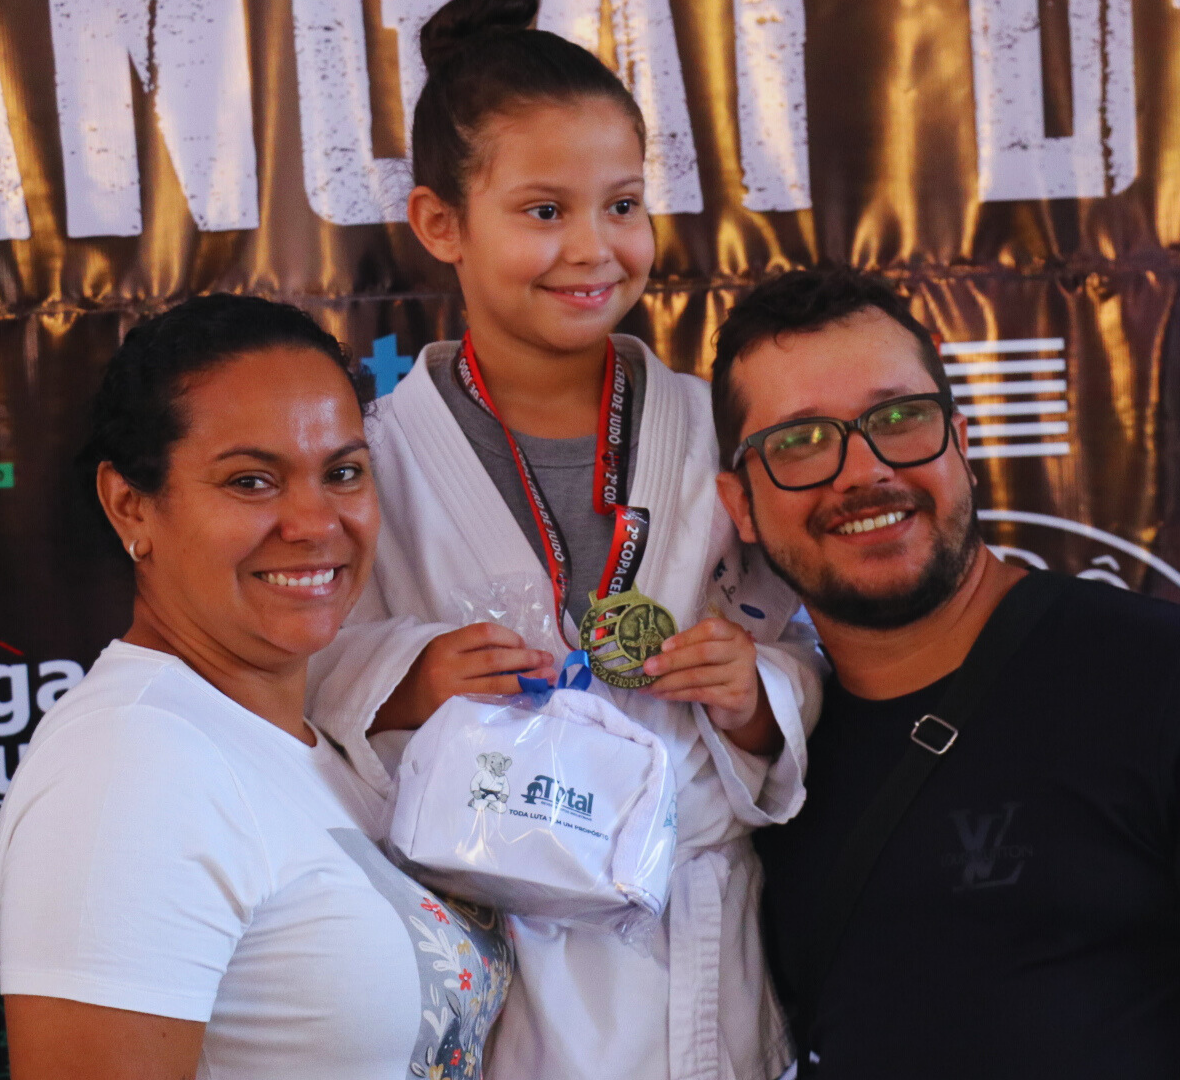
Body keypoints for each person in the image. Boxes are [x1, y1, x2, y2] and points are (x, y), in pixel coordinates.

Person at [711, 269, 1180, 1079]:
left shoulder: (1174, 681)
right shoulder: (770, 755)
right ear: (741, 506)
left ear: (960, 443)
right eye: (799, 441)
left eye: (899, 418)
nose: (862, 470)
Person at [304, 3, 820, 1078]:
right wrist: (408, 681)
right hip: (490, 948)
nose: (593, 248)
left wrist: (754, 694)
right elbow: (301, 671)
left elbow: (818, 650)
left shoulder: (712, 431)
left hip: (699, 958)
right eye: (544, 210)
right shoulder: (377, 460)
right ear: (441, 223)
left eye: (622, 204)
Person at [0, 295, 513, 1080]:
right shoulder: (127, 768)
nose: (315, 522)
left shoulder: (300, 742)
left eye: (342, 472)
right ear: (130, 506)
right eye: (251, 481)